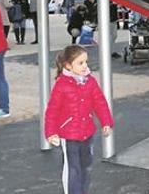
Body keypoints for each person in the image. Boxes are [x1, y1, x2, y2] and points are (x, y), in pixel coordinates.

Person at [45, 45, 114, 194]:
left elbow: (100, 102)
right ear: (68, 65)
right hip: (68, 135)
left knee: (85, 167)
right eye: (80, 63)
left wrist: (106, 122)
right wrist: (51, 133)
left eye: (86, 62)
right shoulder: (61, 85)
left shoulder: (90, 81)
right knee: (72, 169)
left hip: (87, 133)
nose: (85, 66)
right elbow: (52, 111)